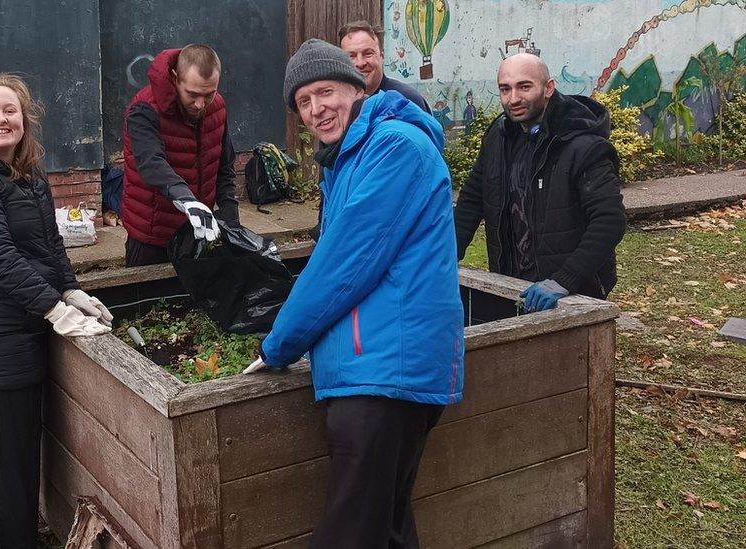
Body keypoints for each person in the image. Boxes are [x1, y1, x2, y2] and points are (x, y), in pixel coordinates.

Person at [245, 39, 464, 549]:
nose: (317, 108)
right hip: (379, 369)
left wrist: (277, 345)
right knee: (385, 528)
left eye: (326, 92)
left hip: (384, 377)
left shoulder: (394, 148)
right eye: (303, 101)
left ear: (356, 86)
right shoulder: (346, 159)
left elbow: (342, 266)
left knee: (351, 534)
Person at [0, 73, 113, 549]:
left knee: (1, 448)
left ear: (24, 117)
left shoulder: (26, 171)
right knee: (8, 455)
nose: (1, 119)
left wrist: (72, 289)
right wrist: (53, 308)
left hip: (16, 325)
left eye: (10, 110)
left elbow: (49, 243)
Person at [454, 53, 626, 311]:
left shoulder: (583, 145)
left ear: (548, 88)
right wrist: (444, 257)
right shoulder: (497, 140)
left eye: (524, 86)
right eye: (505, 89)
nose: (513, 99)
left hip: (572, 295)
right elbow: (471, 201)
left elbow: (610, 220)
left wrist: (564, 281)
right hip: (511, 284)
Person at [121, 44, 241, 267]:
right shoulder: (143, 108)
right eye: (193, 94)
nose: (200, 104)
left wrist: (230, 216)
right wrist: (186, 199)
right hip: (152, 235)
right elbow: (151, 163)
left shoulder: (218, 107)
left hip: (197, 233)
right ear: (175, 78)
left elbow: (224, 166)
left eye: (209, 94)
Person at [338, 20, 432, 114]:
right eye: (351, 56)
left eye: (368, 53)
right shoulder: (336, 104)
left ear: (382, 56)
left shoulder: (407, 100)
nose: (360, 63)